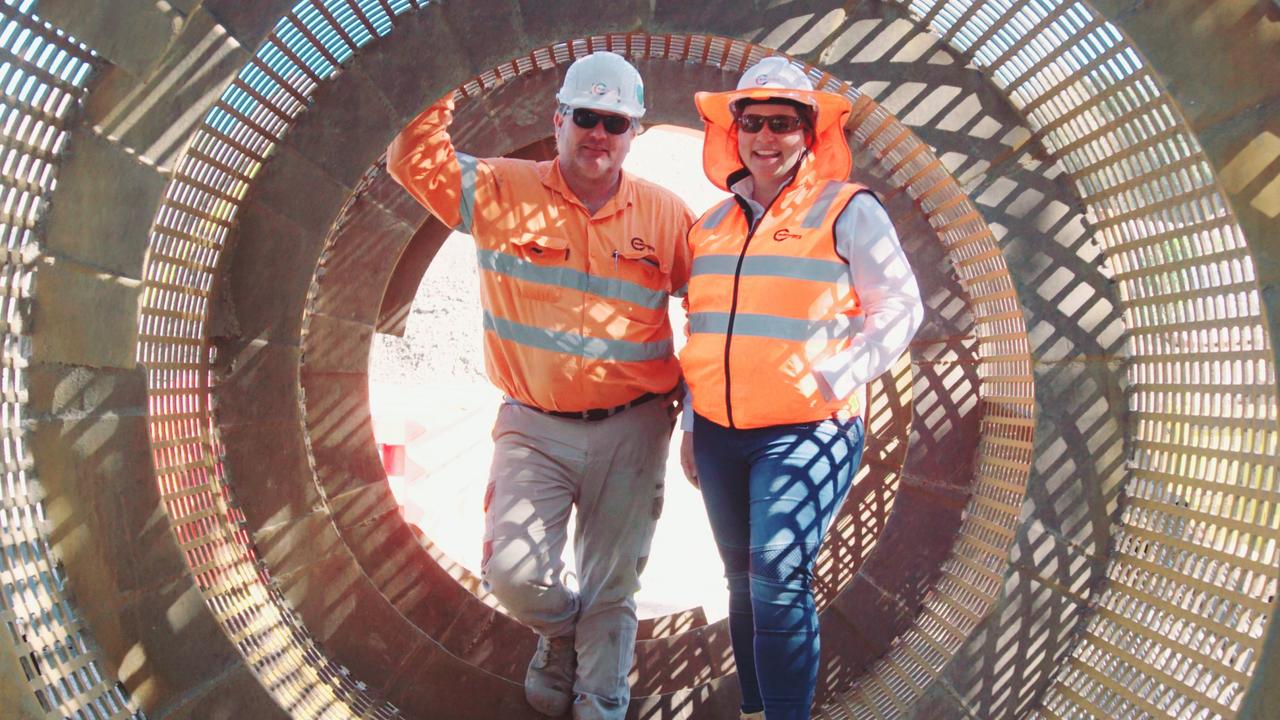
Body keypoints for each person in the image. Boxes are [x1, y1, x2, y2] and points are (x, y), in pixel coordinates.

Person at [386, 51, 694, 720]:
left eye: (616, 123)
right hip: (533, 426)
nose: (599, 135)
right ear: (558, 120)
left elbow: (713, 299)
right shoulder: (500, 190)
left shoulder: (666, 216)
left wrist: (699, 409)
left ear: (634, 132)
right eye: (586, 117)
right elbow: (412, 158)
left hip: (636, 424)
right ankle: (559, 631)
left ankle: (602, 701)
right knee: (516, 576)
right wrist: (461, 67)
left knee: (614, 587)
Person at [678, 57, 924, 719]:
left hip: (806, 431)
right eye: (752, 121)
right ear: (734, 132)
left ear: (809, 133)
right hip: (723, 437)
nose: (765, 136)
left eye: (782, 123)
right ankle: (759, 711)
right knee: (741, 582)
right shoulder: (709, 226)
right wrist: (692, 424)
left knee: (777, 579)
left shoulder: (847, 209)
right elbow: (702, 328)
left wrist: (837, 374)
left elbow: (900, 306)